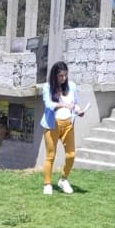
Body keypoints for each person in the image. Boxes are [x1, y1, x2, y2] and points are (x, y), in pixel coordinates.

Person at [39, 62, 82, 196]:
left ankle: (63, 179)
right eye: (60, 76)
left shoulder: (72, 86)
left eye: (65, 75)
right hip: (52, 125)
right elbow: (48, 104)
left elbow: (75, 104)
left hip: (68, 124)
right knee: (50, 156)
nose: (63, 78)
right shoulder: (47, 87)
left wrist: (78, 111)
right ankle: (47, 183)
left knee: (71, 155)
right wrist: (63, 105)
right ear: (55, 75)